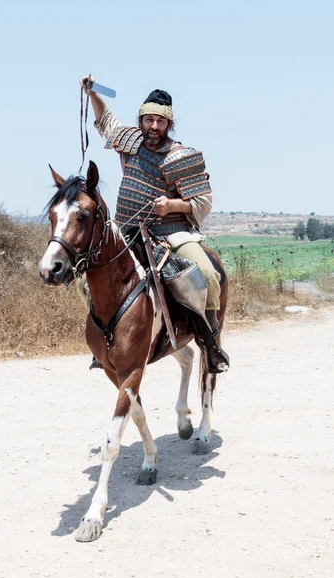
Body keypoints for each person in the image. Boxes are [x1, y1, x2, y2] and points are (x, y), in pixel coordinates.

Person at [80, 77, 229, 373]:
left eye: (160, 121)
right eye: (148, 120)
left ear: (168, 124)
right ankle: (104, 343)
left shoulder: (180, 156)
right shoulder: (130, 142)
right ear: (141, 120)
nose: (153, 127)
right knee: (89, 278)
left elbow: (203, 202)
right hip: (129, 230)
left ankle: (210, 343)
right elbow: (106, 121)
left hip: (172, 233)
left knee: (208, 275)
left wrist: (172, 205)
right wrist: (93, 93)